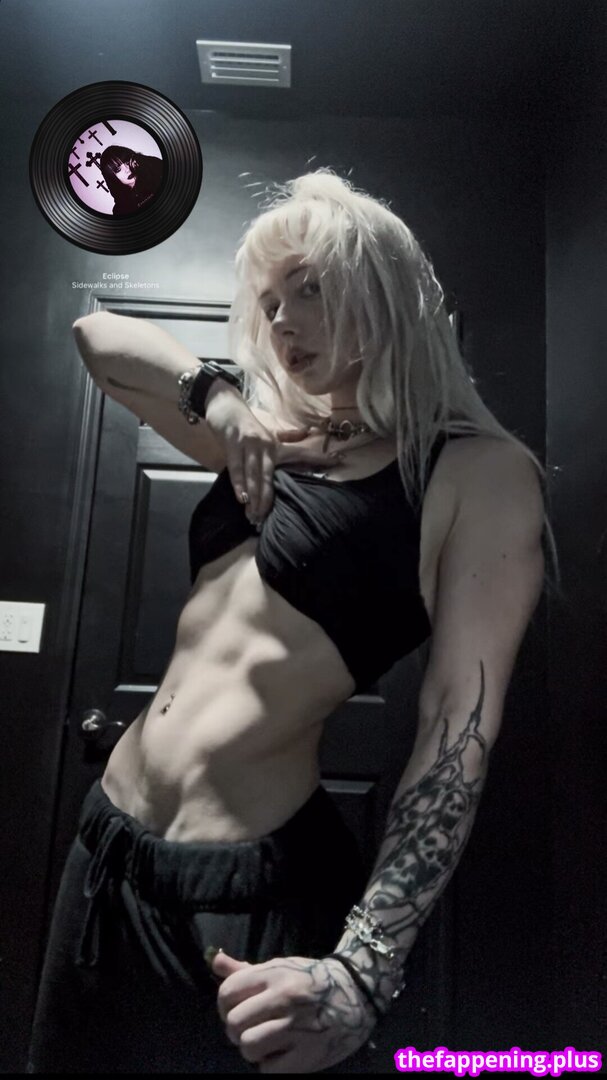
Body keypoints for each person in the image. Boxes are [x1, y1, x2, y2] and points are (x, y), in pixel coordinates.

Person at [28, 168, 557, 1074]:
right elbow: (98, 339)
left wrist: (364, 967)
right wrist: (218, 398)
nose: (280, 321)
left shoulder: (474, 472)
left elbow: (454, 730)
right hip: (108, 836)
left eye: (308, 289)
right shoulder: (264, 431)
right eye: (269, 303)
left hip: (248, 882)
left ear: (381, 289)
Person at [99, 144, 164, 215]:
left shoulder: (156, 174)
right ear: (112, 178)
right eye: (118, 169)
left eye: (127, 162)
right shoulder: (121, 210)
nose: (127, 170)